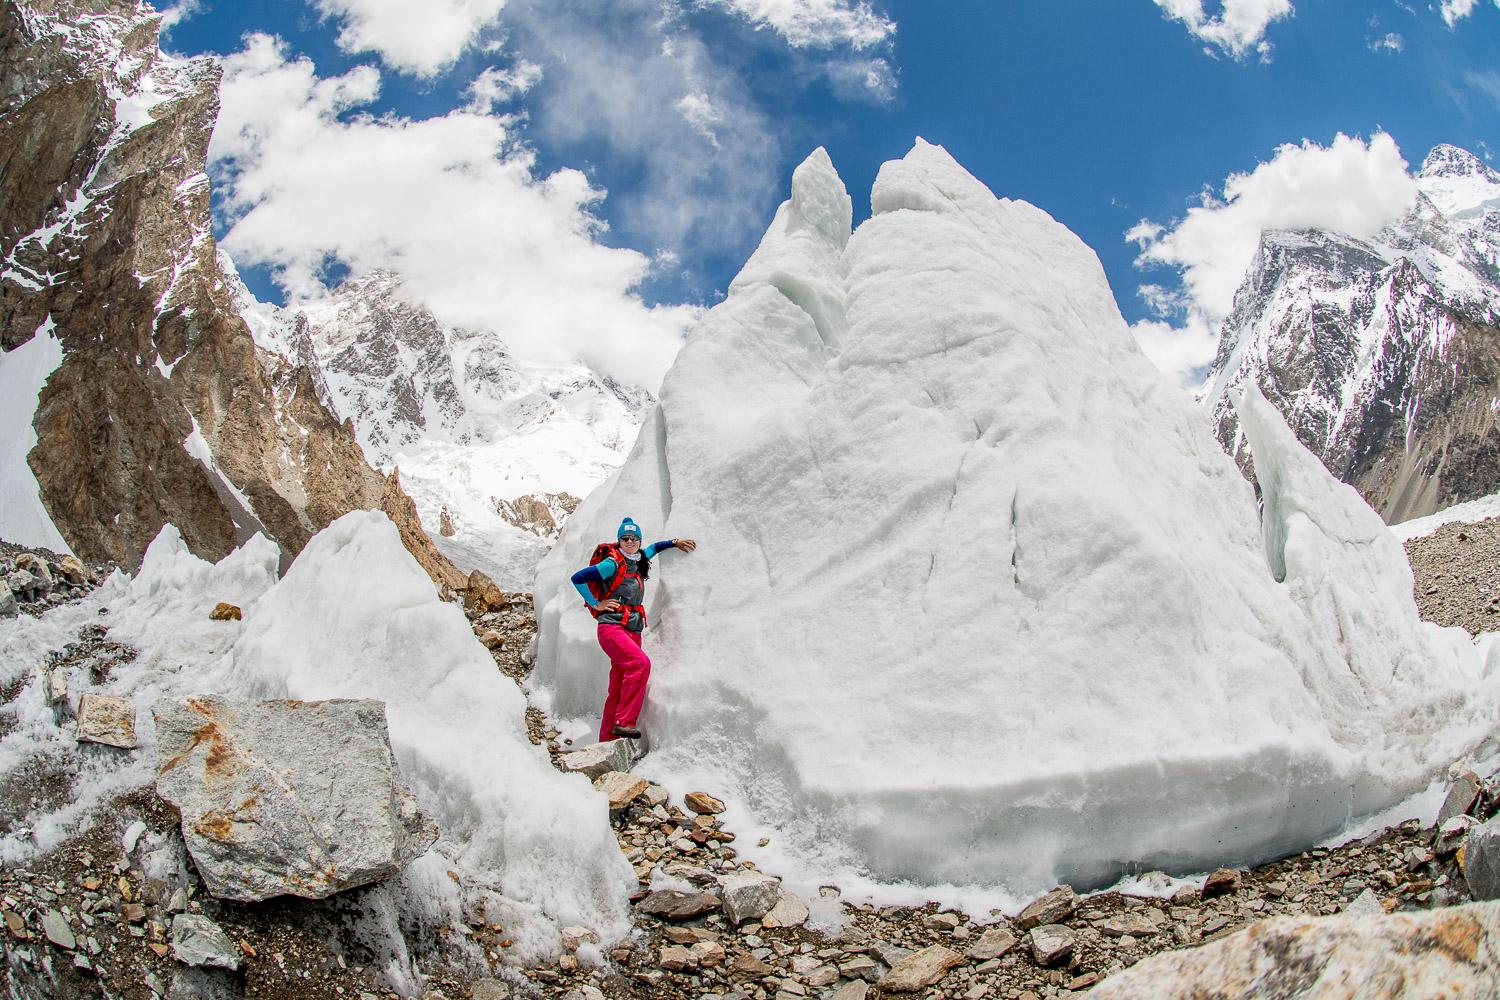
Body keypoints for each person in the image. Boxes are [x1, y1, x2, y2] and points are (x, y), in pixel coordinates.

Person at [571, 517, 696, 742]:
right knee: (640, 664)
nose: (630, 541)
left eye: (634, 538)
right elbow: (578, 578)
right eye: (625, 538)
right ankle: (624, 722)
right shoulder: (612, 563)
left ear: (639, 540)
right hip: (611, 627)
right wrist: (596, 603)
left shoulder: (639, 558)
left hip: (633, 627)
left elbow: (654, 548)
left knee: (618, 686)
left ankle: (607, 742)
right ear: (619, 540)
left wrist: (674, 542)